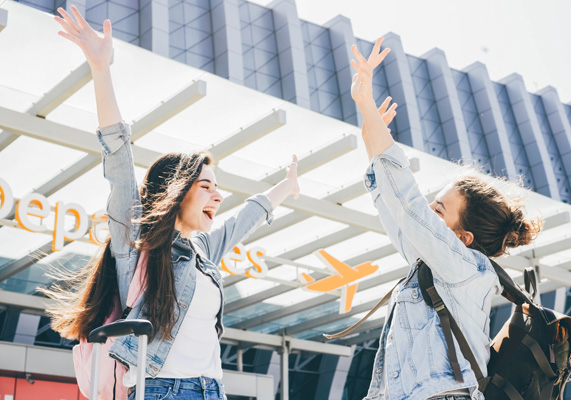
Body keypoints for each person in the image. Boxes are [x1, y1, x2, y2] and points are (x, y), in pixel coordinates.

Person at [45, 6, 299, 400]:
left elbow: (248, 217)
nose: (218, 196)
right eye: (206, 186)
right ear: (178, 194)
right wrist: (100, 67)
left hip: (212, 389)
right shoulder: (138, 245)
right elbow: (119, 161)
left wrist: (287, 186)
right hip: (160, 390)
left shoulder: (204, 251)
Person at [350, 38, 541, 400]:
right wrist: (370, 129)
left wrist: (368, 108)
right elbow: (396, 210)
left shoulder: (462, 266)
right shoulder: (437, 265)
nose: (428, 212)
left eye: (439, 210)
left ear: (463, 237)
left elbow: (407, 206)